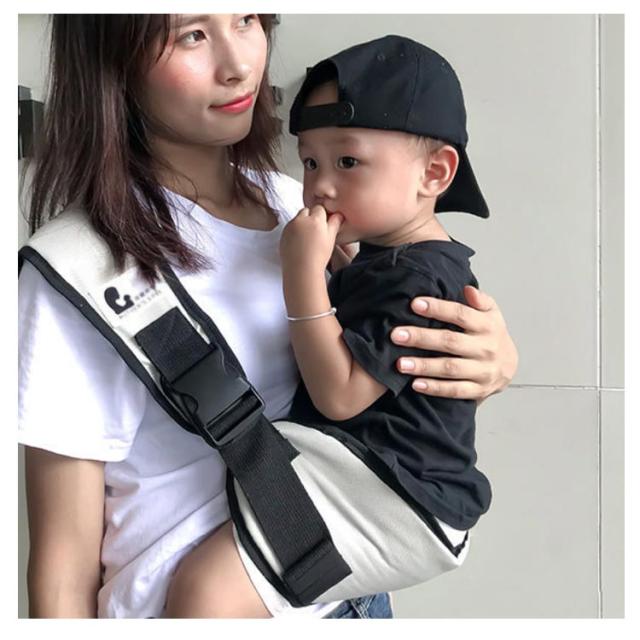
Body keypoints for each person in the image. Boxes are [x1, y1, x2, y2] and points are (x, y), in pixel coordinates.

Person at [19, 15, 518, 619]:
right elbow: (64, 561)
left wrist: (485, 363)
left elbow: (382, 374)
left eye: (246, 19)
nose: (239, 65)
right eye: (191, 35)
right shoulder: (81, 266)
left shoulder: (297, 205)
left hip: (345, 599)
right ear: (113, 59)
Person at [163, 34, 495, 618]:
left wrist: (302, 275)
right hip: (383, 481)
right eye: (311, 161)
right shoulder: (390, 261)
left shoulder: (415, 279)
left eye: (348, 162)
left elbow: (340, 395)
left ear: (435, 172)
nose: (319, 185)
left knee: (204, 595)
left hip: (400, 494)